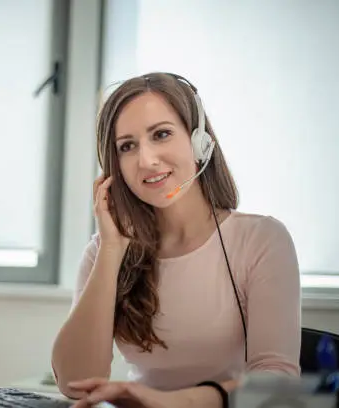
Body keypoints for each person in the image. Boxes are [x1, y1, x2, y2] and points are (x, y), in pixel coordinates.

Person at [51, 72, 302, 408]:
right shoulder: (105, 250)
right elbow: (73, 383)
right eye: (127, 146)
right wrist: (111, 250)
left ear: (200, 142)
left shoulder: (261, 240)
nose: (146, 160)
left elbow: (278, 382)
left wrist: (163, 401)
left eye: (161, 134)